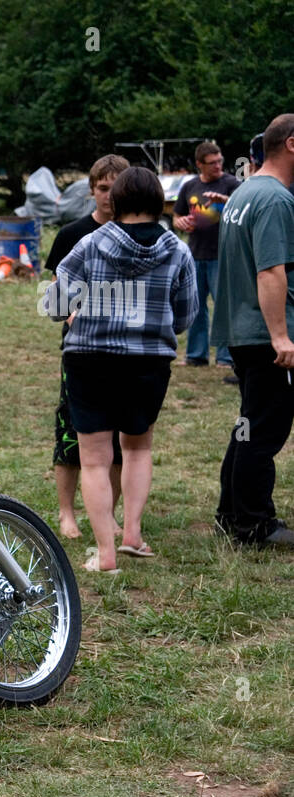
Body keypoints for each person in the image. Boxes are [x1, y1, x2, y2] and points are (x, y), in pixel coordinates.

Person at [43, 166, 197, 572]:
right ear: (156, 201)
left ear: (117, 200)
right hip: (149, 360)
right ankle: (132, 533)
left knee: (94, 459)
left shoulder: (89, 245)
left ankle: (106, 553)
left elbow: (56, 306)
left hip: (89, 359)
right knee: (137, 448)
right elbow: (185, 316)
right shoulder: (178, 250)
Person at [213, 113, 294, 549]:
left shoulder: (244, 192)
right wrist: (281, 335)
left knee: (248, 424)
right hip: (267, 338)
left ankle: (231, 513)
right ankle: (254, 525)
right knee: (264, 431)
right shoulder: (277, 200)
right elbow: (270, 271)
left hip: (242, 332)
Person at [44, 154, 130, 539]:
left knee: (118, 434)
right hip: (79, 352)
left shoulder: (138, 235)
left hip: (125, 351)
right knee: (71, 432)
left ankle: (108, 511)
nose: (109, 196)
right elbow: (56, 294)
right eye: (102, 188)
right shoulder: (71, 234)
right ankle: (67, 513)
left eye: (117, 189)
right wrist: (71, 315)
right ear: (92, 190)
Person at [172, 141, 241, 370]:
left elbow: (243, 211)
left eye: (220, 161)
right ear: (199, 164)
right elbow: (176, 215)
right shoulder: (190, 186)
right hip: (195, 255)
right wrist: (179, 222)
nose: (218, 166)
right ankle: (196, 355)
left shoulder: (231, 183)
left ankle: (226, 357)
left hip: (223, 255)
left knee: (224, 307)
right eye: (212, 163)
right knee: (196, 307)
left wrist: (226, 202)